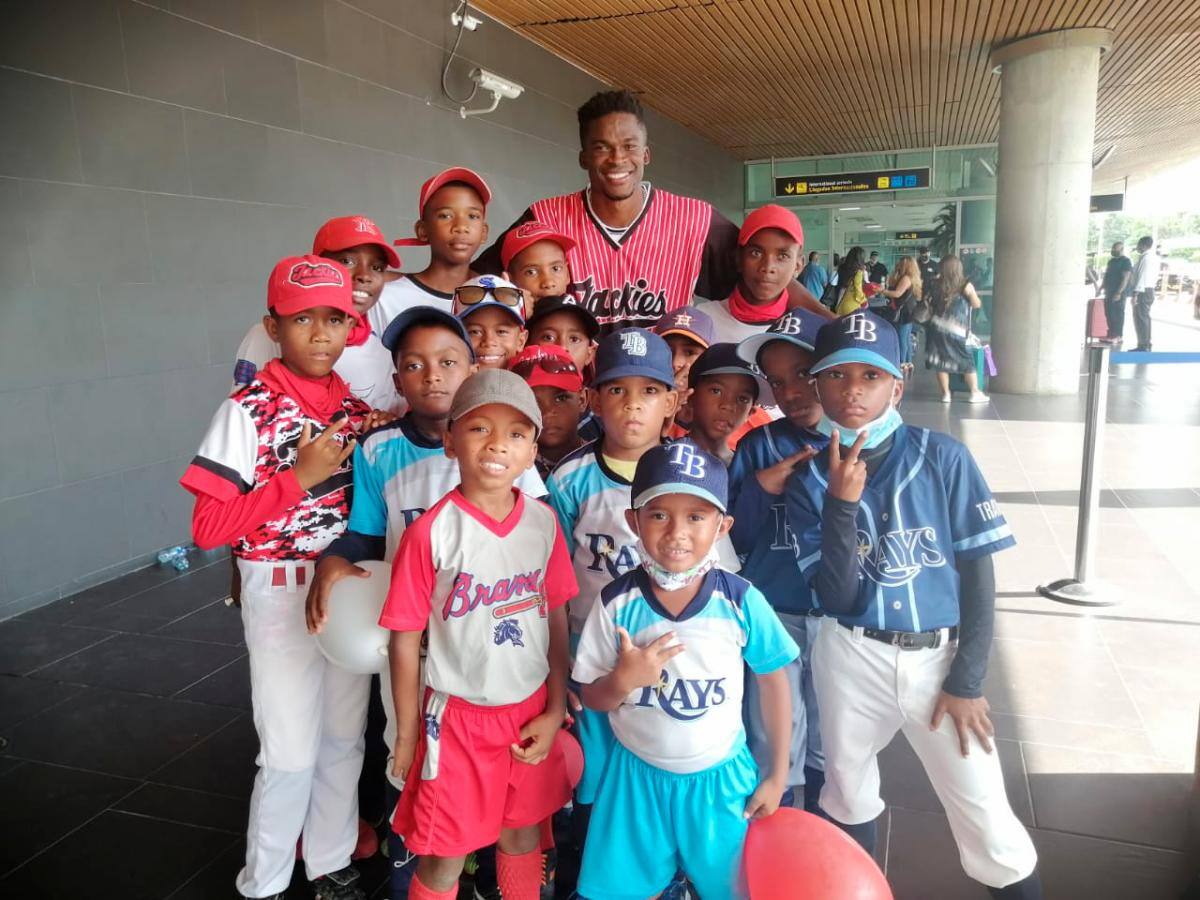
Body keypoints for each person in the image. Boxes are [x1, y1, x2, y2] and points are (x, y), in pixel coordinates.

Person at [785, 311, 1042, 899]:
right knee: (845, 790)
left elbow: (980, 577)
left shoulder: (944, 458)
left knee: (987, 817)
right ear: (817, 385)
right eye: (838, 375)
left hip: (938, 660)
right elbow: (839, 599)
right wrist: (840, 507)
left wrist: (969, 679)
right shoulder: (807, 483)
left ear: (896, 386)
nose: (853, 390)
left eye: (870, 377)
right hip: (851, 653)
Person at [307, 308, 547, 900]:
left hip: (496, 648)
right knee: (409, 762)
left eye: (447, 363)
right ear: (395, 377)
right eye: (413, 365)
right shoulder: (380, 450)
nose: (431, 376)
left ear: (471, 369)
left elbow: (535, 545)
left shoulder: (511, 458)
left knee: (511, 804)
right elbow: (366, 531)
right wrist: (334, 557)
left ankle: (493, 881)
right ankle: (404, 874)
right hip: (419, 651)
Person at [181, 255, 372, 900]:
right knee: (289, 749)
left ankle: (330, 858)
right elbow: (209, 528)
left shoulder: (352, 403)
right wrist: (298, 479)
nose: (320, 333)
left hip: (344, 585)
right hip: (279, 585)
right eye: (301, 319)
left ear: (352, 325)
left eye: (334, 318)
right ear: (273, 325)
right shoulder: (248, 409)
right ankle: (263, 881)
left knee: (344, 738)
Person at [381, 369, 581, 900]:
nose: (498, 444)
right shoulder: (432, 532)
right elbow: (404, 638)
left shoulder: (542, 523)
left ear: (533, 448)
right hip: (459, 720)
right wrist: (405, 734)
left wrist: (555, 706)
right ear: (450, 440)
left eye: (517, 433)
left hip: (529, 711)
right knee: (445, 856)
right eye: (478, 428)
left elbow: (555, 617)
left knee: (521, 837)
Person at [571, 441, 799, 900]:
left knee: (732, 887)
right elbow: (589, 698)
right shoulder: (616, 603)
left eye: (696, 516)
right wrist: (622, 680)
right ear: (633, 521)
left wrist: (777, 775)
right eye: (659, 515)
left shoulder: (740, 600)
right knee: (622, 889)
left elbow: (774, 683)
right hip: (636, 778)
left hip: (722, 781)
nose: (677, 531)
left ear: (722, 526)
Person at [476, 90, 827, 329]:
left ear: (646, 155)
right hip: (570, 399)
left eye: (629, 146)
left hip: (659, 401)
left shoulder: (694, 219)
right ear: (583, 157)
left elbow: (766, 276)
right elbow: (476, 282)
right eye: (602, 147)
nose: (617, 159)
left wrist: (839, 329)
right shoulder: (547, 218)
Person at [545, 328, 679, 893]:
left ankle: (659, 868)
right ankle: (586, 867)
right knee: (593, 775)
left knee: (656, 765)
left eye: (649, 391)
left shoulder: (683, 474)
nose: (632, 405)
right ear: (594, 400)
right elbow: (549, 578)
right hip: (589, 657)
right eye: (616, 390)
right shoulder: (572, 477)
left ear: (672, 402)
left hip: (668, 658)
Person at [729, 308, 828, 814]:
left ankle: (826, 846)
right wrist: (760, 490)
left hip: (840, 620)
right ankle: (779, 840)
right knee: (773, 744)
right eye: (777, 380)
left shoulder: (863, 440)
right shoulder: (758, 445)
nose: (791, 391)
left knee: (831, 744)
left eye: (805, 374)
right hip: (775, 613)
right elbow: (731, 539)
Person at [233, 216, 403, 415]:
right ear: (318, 266)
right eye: (347, 261)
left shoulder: (384, 349)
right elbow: (245, 415)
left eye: (376, 267)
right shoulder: (267, 335)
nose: (364, 275)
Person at [372, 167, 492, 330]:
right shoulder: (386, 296)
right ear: (423, 231)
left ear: (484, 232)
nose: (461, 226)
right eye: (445, 215)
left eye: (473, 216)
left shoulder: (498, 297)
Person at [705, 204, 828, 344]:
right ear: (738, 259)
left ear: (798, 266)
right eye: (756, 253)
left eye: (782, 256)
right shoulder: (704, 319)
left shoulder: (812, 332)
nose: (768, 267)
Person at [525, 294, 604, 442]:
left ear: (589, 354)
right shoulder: (517, 409)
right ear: (526, 344)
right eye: (548, 337)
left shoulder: (603, 427)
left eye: (574, 339)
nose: (562, 347)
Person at [678, 342, 766, 465]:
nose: (728, 406)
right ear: (691, 396)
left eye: (742, 399)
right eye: (716, 391)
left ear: (750, 413)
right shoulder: (665, 455)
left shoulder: (746, 470)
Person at [509, 344, 588, 479]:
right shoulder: (511, 470)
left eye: (561, 398)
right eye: (532, 401)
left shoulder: (603, 458)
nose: (547, 412)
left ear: (582, 400)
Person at [925, 255, 988, 403]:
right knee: (966, 361)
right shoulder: (964, 285)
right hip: (956, 330)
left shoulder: (934, 284)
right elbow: (976, 304)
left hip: (936, 328)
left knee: (941, 363)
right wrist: (972, 295)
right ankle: (974, 392)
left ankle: (946, 394)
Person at [653, 304, 713, 434]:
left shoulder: (734, 412)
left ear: (709, 358)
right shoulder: (637, 410)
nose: (675, 363)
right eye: (667, 350)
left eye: (690, 353)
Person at [501, 221, 576, 316]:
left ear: (567, 275)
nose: (548, 283)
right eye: (531, 272)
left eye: (556, 268)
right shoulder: (504, 319)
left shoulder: (577, 317)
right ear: (510, 281)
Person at [452, 275, 528, 369]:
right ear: (454, 338)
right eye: (475, 332)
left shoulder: (533, 383)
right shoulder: (444, 382)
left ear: (521, 341)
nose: (488, 342)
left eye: (501, 332)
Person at [875, 255, 923, 375]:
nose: (898, 265)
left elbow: (897, 294)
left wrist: (881, 291)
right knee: (906, 338)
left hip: (903, 312)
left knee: (902, 338)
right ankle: (908, 362)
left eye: (901, 263)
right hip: (909, 311)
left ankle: (901, 363)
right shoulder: (912, 278)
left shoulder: (905, 278)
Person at [1101, 242, 1132, 343]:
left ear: (1122, 249)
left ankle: (1118, 336)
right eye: (1113, 248)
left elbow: (1126, 278)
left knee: (1117, 314)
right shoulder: (1111, 261)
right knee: (1109, 313)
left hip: (1118, 293)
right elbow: (1107, 275)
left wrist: (1119, 292)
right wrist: (1102, 287)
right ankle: (1111, 334)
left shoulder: (1126, 261)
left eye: (1116, 249)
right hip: (1109, 291)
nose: (1113, 251)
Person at [1130, 235, 1157, 351]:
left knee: (1141, 318)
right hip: (1149, 290)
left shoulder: (1145, 258)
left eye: (1138, 245)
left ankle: (1143, 345)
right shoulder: (1152, 257)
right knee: (1144, 317)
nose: (1137, 247)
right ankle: (1145, 344)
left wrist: (1135, 294)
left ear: (1143, 245)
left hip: (1143, 291)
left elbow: (1142, 277)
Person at [833, 246, 868, 315]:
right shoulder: (858, 272)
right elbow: (858, 290)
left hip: (840, 303)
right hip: (852, 306)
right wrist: (864, 301)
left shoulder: (841, 268)